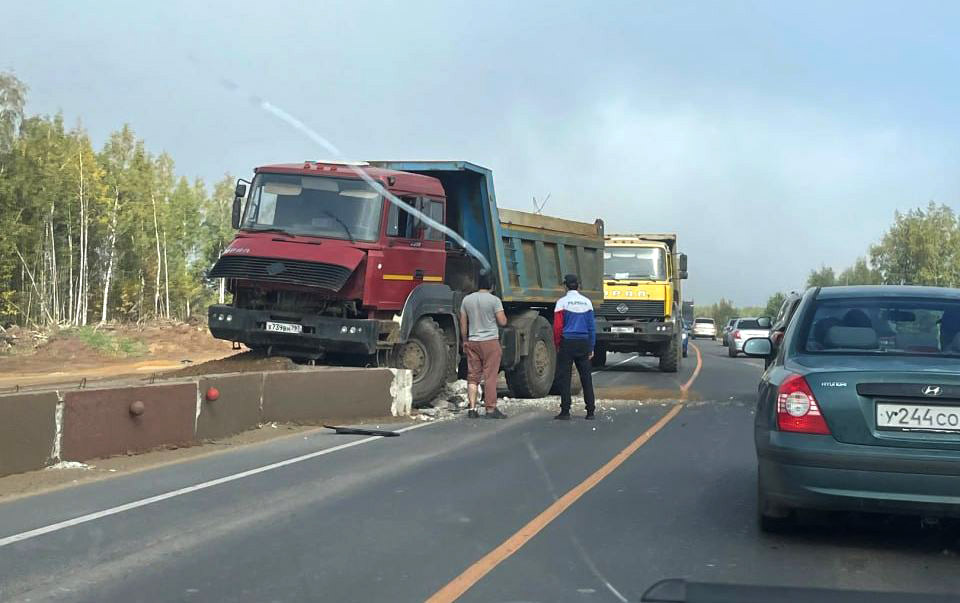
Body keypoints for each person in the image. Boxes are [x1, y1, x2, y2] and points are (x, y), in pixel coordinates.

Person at [459, 272, 508, 419]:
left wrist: (464, 340)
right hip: (490, 342)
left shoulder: (466, 300)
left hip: (473, 341)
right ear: (492, 286)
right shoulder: (494, 300)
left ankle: (472, 409)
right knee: (490, 376)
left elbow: (463, 323)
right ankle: (490, 408)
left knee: (473, 376)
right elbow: (502, 321)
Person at [553, 274, 597, 420]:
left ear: (565, 286)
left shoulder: (562, 303)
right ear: (578, 285)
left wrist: (558, 344)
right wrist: (591, 347)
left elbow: (558, 327)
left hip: (567, 342)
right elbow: (591, 328)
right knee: (586, 377)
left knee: (565, 377)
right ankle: (590, 411)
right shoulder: (587, 303)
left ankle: (565, 411)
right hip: (583, 342)